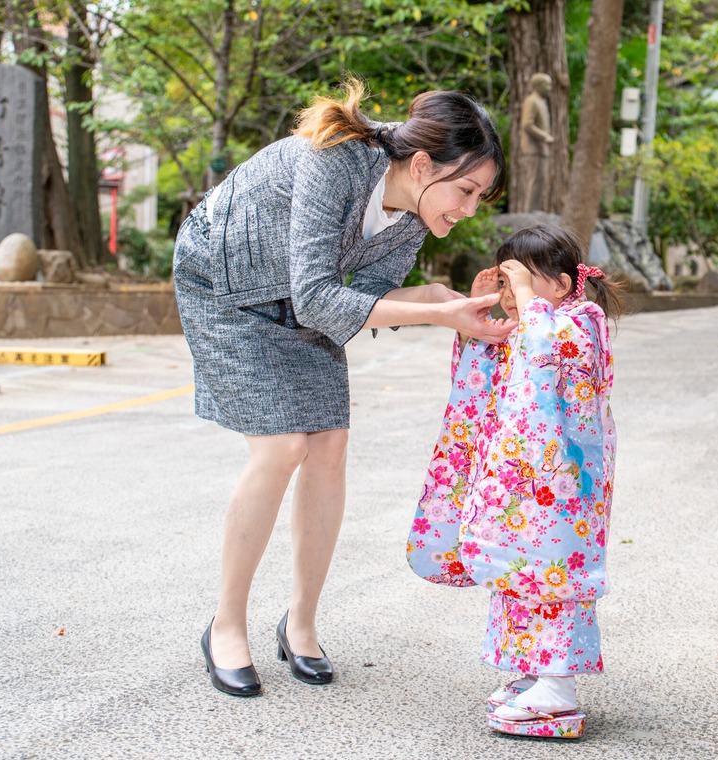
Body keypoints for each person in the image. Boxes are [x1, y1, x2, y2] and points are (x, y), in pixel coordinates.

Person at [172, 76, 514, 697]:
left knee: (328, 446)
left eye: (478, 197)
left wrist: (447, 302)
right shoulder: (337, 161)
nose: (468, 209)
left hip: (302, 300)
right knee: (281, 448)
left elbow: (368, 298)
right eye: (464, 190)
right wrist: (438, 314)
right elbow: (319, 297)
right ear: (421, 164)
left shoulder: (413, 216)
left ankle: (300, 623)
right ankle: (225, 626)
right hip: (224, 286)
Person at [407, 224, 621, 739]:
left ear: (562, 285)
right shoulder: (532, 326)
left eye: (521, 280)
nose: (511, 293)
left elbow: (545, 350)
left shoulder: (580, 323)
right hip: (522, 486)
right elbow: (483, 376)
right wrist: (479, 322)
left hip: (562, 486)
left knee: (552, 573)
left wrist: (525, 300)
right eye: (506, 282)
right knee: (516, 569)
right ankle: (533, 672)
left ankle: (558, 690)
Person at [515, 73, 555, 213]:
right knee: (534, 179)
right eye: (547, 85)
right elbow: (527, 124)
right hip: (533, 148)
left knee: (541, 179)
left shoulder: (541, 102)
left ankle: (535, 208)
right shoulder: (531, 101)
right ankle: (530, 210)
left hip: (541, 149)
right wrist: (544, 136)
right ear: (538, 86)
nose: (550, 88)